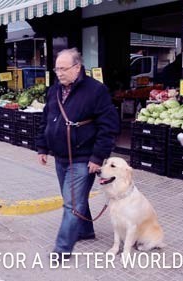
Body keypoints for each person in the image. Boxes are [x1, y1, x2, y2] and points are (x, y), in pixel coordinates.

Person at [36, 48, 120, 257]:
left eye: (63, 69)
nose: (59, 73)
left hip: (84, 157)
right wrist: (42, 147)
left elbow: (108, 126)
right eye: (57, 69)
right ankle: (85, 230)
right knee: (74, 197)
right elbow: (46, 119)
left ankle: (62, 248)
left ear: (77, 68)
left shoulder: (96, 90)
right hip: (60, 156)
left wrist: (98, 157)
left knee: (72, 202)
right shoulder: (54, 90)